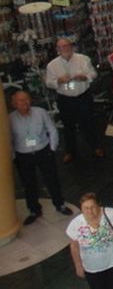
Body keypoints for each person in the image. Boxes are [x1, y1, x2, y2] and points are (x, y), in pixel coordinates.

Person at [7, 88, 69, 223]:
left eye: (27, 99)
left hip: (43, 150)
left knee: (52, 179)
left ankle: (60, 204)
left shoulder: (40, 112)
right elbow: (8, 139)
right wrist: (13, 156)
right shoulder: (10, 119)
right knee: (29, 183)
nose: (25, 103)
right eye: (21, 101)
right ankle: (34, 209)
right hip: (23, 155)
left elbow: (52, 130)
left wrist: (52, 148)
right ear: (14, 103)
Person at [44, 36, 97, 163]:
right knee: (68, 126)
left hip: (83, 96)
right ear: (57, 49)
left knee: (88, 122)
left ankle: (95, 146)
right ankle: (70, 151)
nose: (64, 49)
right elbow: (48, 82)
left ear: (71, 46)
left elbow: (93, 73)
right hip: (65, 99)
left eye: (66, 46)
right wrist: (59, 81)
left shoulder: (83, 59)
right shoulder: (52, 65)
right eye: (61, 47)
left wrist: (85, 77)